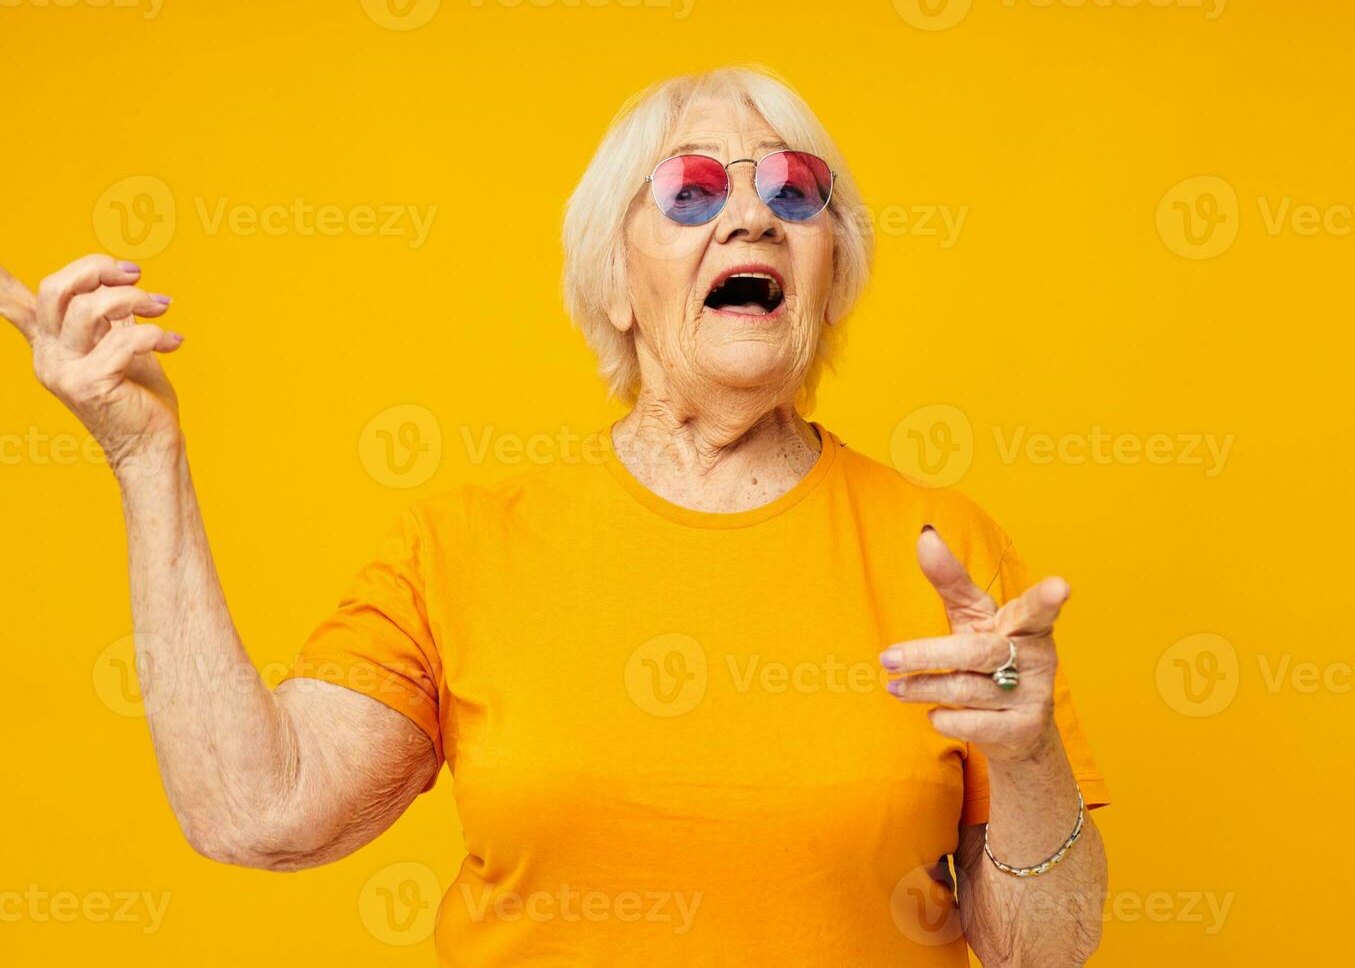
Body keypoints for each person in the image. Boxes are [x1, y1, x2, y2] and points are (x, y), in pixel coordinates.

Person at [0, 65, 1109, 966]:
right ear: (615, 286)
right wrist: (146, 455)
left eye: (794, 190)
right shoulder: (463, 550)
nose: (752, 219)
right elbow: (256, 807)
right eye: (690, 191)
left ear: (831, 273)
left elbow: (1045, 955)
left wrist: (1026, 761)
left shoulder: (946, 551)